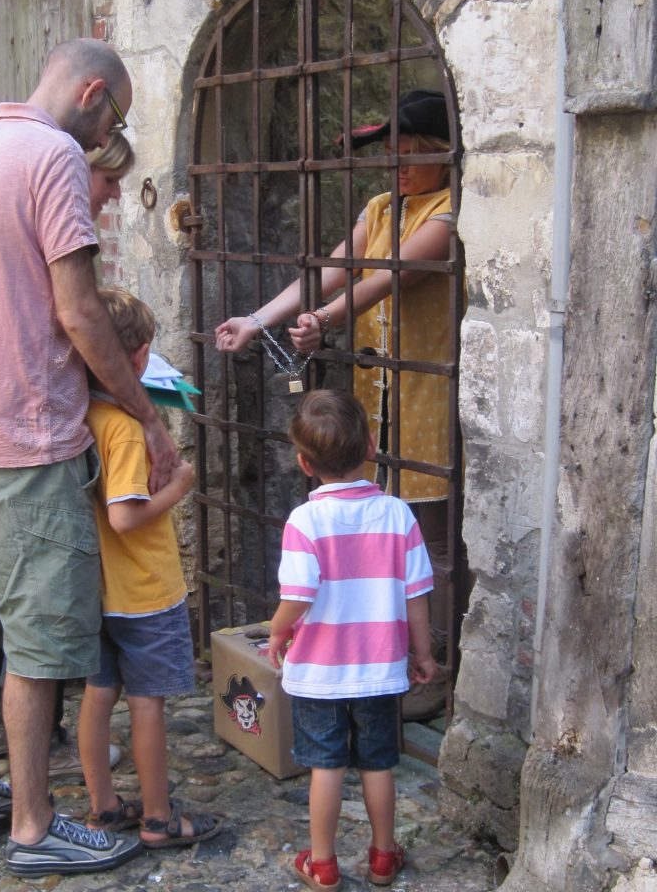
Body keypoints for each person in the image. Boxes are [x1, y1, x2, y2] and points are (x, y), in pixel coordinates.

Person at [0, 38, 180, 877]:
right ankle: (35, 827)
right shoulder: (53, 159)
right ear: (91, 93)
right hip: (30, 442)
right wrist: (146, 416)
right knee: (37, 645)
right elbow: (79, 313)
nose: (113, 128)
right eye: (116, 112)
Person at [216, 89, 457, 720]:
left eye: (414, 152)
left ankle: (434, 665)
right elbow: (336, 268)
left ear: (443, 154)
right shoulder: (381, 206)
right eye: (392, 152)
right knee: (379, 532)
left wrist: (325, 318)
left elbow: (393, 272)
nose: (399, 164)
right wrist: (260, 317)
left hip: (426, 390)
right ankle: (380, 652)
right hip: (378, 398)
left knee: (426, 539)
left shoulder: (450, 210)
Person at [0, 133, 137, 779]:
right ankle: (36, 800)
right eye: (110, 181)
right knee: (36, 620)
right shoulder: (53, 178)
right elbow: (76, 315)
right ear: (82, 170)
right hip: (14, 437)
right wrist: (142, 411)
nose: (114, 194)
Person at [267, 389, 436, 890]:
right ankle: (384, 856)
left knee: (326, 766)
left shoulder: (305, 522)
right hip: (380, 670)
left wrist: (278, 631)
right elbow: (417, 595)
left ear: (303, 462)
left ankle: (322, 863)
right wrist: (422, 653)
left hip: (320, 672)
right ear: (369, 444)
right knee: (379, 762)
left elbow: (298, 595)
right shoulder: (398, 515)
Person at [78, 286, 222, 849]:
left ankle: (103, 806)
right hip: (144, 591)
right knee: (147, 705)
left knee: (96, 694)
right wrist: (182, 485)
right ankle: (159, 817)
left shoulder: (83, 411)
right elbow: (126, 517)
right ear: (138, 359)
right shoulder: (126, 428)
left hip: (97, 590)